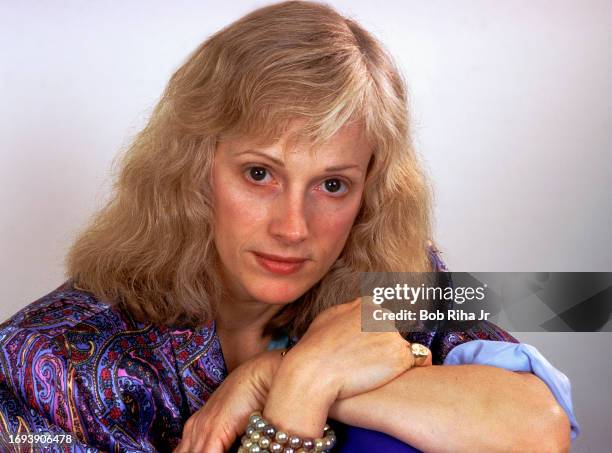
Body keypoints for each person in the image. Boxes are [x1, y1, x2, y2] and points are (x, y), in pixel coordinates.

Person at [0, 1, 577, 452]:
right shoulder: (44, 359)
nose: (294, 227)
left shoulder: (403, 278)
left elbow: (540, 424)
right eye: (259, 174)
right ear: (192, 169)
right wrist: (298, 395)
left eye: (333, 185)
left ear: (370, 192)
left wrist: (287, 372)